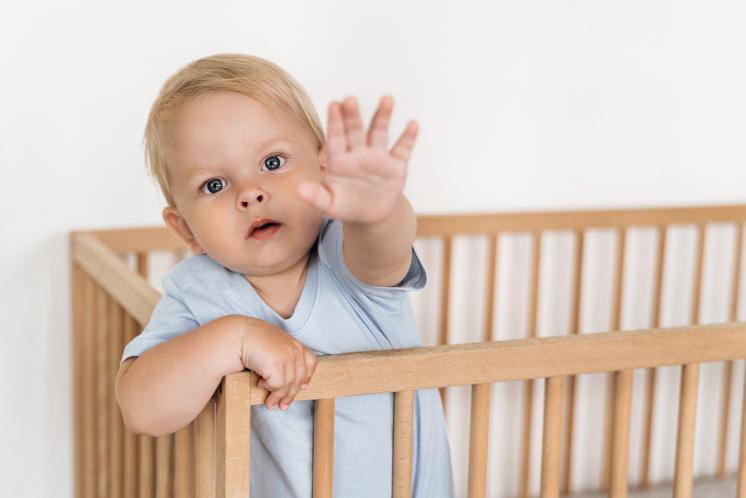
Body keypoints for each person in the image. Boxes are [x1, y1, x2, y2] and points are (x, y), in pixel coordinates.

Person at [114, 53, 455, 497]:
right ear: (185, 229)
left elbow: (383, 254)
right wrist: (232, 337)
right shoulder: (199, 293)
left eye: (273, 163)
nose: (251, 193)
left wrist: (378, 213)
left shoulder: (343, 252)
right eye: (214, 185)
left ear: (325, 167)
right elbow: (141, 409)